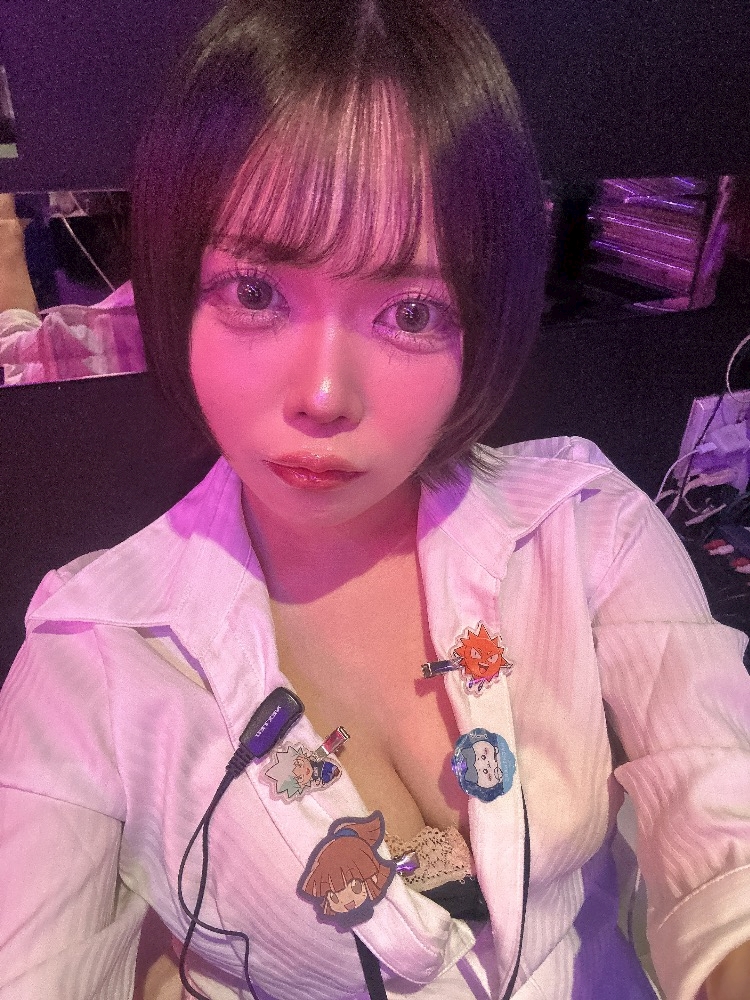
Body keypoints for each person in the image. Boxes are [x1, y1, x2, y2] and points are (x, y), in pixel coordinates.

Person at [0, 1, 748, 999]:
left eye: (412, 310)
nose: (323, 395)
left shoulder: (577, 525)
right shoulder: (96, 652)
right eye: (256, 292)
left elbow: (724, 822)